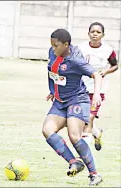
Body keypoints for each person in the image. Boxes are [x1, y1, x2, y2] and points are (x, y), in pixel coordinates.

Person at [42, 28, 103, 186]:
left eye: (56, 46)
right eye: (52, 45)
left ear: (66, 45)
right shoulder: (52, 52)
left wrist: (96, 94)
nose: (53, 48)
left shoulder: (75, 60)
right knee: (47, 131)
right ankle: (74, 162)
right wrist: (52, 90)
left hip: (76, 99)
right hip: (60, 101)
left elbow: (96, 75)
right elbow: (51, 71)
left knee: (74, 135)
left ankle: (94, 174)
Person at [78, 22, 118, 151]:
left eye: (98, 32)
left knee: (88, 118)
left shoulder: (108, 50)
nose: (95, 34)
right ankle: (96, 133)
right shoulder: (80, 48)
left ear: (103, 35)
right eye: (92, 31)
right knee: (79, 120)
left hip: (97, 91)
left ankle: (84, 153)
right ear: (88, 33)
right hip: (81, 89)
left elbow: (115, 65)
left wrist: (106, 71)